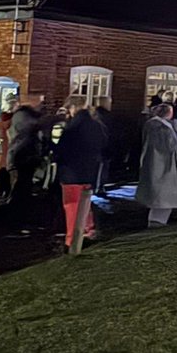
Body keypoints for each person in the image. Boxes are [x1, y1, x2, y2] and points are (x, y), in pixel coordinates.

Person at [53, 96, 108, 247]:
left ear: (72, 108)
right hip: (90, 171)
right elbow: (105, 145)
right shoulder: (96, 125)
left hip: (72, 173)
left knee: (71, 206)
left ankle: (71, 239)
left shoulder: (71, 127)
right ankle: (88, 231)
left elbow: (61, 150)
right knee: (85, 204)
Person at [136, 103, 177, 227]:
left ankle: (155, 220)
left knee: (156, 195)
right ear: (169, 113)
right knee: (164, 197)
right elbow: (172, 147)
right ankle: (157, 223)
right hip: (166, 166)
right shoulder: (164, 129)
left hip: (152, 164)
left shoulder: (150, 125)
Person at [6, 93, 47, 226]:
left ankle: (20, 212)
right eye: (40, 102)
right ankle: (16, 214)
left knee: (25, 184)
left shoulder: (28, 115)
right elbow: (29, 129)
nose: (42, 105)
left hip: (28, 154)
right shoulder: (22, 116)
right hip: (22, 155)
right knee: (21, 185)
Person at [0, 93, 18, 198]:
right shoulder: (13, 119)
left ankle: (0, 188)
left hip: (5, 142)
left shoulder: (3, 117)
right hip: (11, 144)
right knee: (9, 166)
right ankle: (6, 189)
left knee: (3, 164)